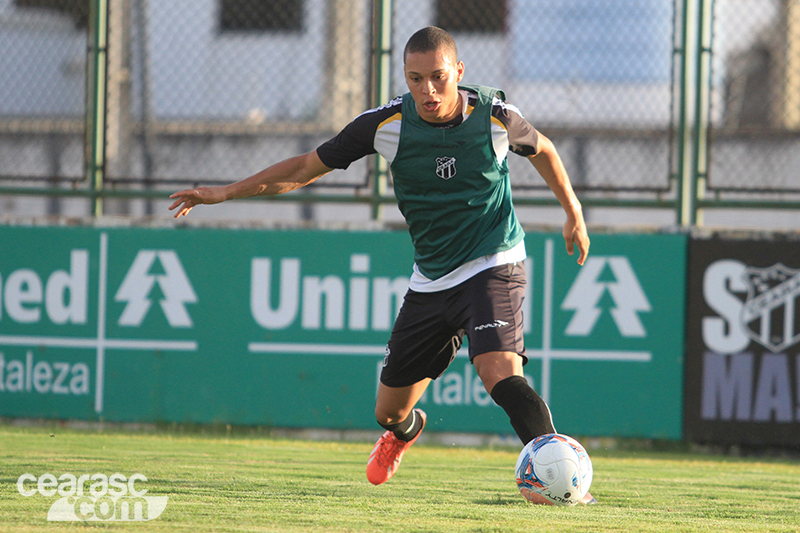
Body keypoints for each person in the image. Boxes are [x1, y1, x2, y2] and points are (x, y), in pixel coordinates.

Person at [170, 26, 592, 502]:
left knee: (498, 370)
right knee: (389, 412)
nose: (428, 91)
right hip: (431, 279)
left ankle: (562, 479)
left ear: (458, 71)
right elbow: (304, 169)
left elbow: (546, 151)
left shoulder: (495, 116)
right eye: (415, 79)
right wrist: (223, 193)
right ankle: (404, 434)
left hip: (494, 261)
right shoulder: (385, 125)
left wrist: (573, 213)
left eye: (438, 77)